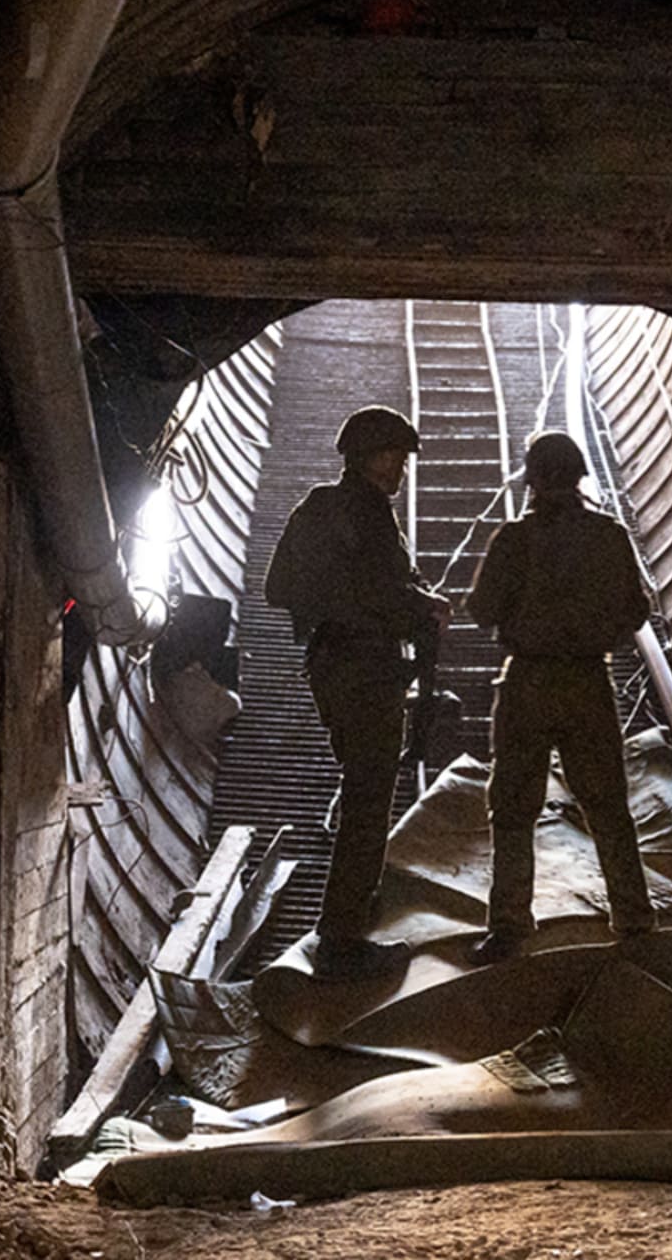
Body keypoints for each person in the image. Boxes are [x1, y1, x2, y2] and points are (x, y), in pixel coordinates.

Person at [264, 405, 452, 980]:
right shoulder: (362, 516)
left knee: (365, 793)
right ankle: (342, 939)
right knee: (370, 801)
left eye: (401, 458)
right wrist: (417, 605)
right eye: (391, 455)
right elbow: (370, 591)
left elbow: (279, 587)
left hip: (337, 668)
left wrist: (398, 595)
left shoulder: (325, 508)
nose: (399, 468)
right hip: (364, 670)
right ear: (363, 457)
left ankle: (350, 913)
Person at [464, 430, 657, 964]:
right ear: (579, 477)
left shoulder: (514, 540)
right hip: (588, 682)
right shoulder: (610, 537)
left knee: (512, 807)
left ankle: (508, 925)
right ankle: (634, 919)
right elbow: (637, 612)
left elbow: (481, 610)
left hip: (528, 681)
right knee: (608, 804)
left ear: (532, 478)